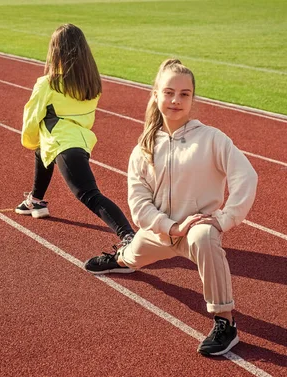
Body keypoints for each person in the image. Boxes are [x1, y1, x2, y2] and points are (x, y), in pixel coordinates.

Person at [84, 58, 258, 356]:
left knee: (204, 238)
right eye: (169, 92)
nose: (176, 100)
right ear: (155, 94)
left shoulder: (212, 139)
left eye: (184, 94)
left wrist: (224, 219)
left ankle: (224, 322)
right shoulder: (143, 149)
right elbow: (138, 204)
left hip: (196, 230)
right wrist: (170, 227)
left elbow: (246, 176)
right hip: (160, 231)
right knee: (130, 255)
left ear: (193, 99)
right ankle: (122, 259)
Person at [16, 23, 135, 245]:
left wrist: (30, 141)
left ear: (55, 51)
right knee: (44, 148)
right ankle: (36, 200)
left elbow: (31, 119)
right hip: (81, 140)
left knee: (89, 194)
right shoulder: (92, 84)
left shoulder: (47, 84)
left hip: (65, 145)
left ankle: (128, 235)